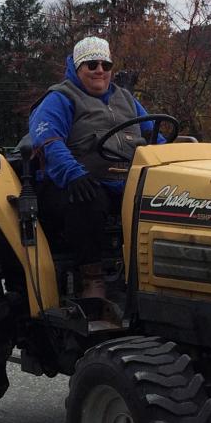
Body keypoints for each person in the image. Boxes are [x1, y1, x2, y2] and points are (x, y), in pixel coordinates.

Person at [28, 35, 161, 301]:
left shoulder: (126, 99)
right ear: (76, 69)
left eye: (105, 64)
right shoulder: (60, 98)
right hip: (74, 180)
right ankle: (92, 279)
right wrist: (72, 173)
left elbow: (154, 136)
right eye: (91, 64)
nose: (99, 69)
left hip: (127, 180)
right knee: (87, 199)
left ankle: (150, 275)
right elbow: (47, 139)